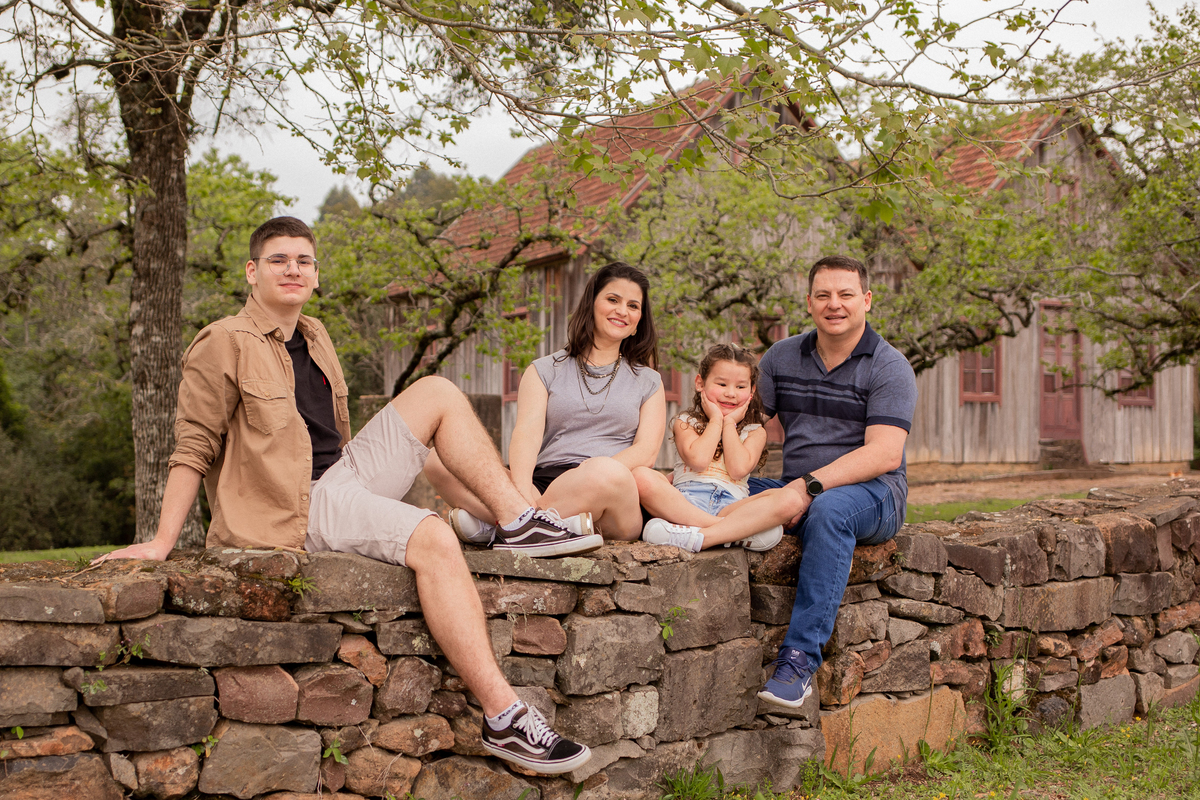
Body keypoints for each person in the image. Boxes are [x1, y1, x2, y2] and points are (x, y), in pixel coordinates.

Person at [98, 216, 596, 774]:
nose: (293, 269)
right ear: (252, 272)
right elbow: (192, 448)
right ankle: (505, 717)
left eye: (303, 261)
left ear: (315, 275)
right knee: (429, 533)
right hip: (292, 508)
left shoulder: (314, 335)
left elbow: (330, 434)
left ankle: (518, 522)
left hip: (337, 480)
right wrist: (163, 541)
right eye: (279, 260)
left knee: (436, 390)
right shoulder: (222, 342)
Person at [752, 255, 917, 709]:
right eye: (823, 295)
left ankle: (800, 659)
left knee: (828, 510)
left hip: (875, 494)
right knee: (721, 493)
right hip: (798, 486)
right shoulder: (781, 357)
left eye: (846, 294)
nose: (834, 304)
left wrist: (808, 486)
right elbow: (750, 427)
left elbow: (884, 453)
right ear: (809, 302)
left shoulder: (889, 366)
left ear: (866, 300)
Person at [432, 262, 665, 543]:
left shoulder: (649, 381)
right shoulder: (544, 370)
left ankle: (505, 524)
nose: (622, 311)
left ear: (639, 320)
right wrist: (521, 487)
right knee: (438, 459)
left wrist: (586, 475)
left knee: (605, 473)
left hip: (612, 493)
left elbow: (646, 452)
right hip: (543, 484)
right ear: (591, 305)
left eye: (633, 306)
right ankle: (536, 520)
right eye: (613, 299)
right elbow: (526, 434)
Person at [633, 343, 785, 552]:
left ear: (752, 391)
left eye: (740, 387)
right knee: (641, 476)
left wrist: (729, 424)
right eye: (722, 384)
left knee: (787, 499)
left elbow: (738, 469)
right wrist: (716, 420)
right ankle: (729, 532)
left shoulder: (755, 431)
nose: (731, 393)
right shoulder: (686, 422)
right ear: (700, 383)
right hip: (686, 502)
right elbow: (699, 460)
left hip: (731, 506)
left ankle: (691, 534)